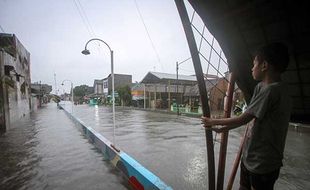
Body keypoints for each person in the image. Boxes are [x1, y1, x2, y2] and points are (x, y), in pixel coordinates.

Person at [201, 42, 291, 190]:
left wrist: (212, 121)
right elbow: (250, 118)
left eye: (254, 64)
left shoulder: (272, 91)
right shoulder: (260, 87)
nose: (251, 68)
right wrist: (224, 129)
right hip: (250, 156)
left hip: (263, 163)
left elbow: (244, 118)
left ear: (264, 66)